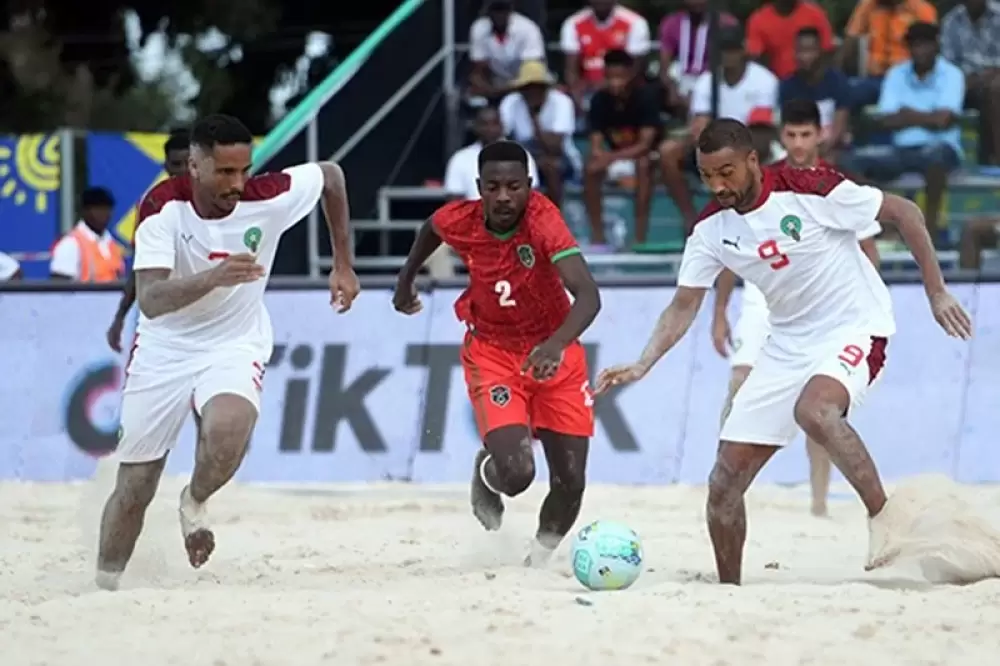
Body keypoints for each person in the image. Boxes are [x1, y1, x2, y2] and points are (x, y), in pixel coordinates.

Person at [595, 118, 971, 585]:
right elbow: (683, 305)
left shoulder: (809, 187)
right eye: (707, 176)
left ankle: (884, 519)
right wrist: (643, 362)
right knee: (723, 484)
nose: (718, 185)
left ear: (752, 160)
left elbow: (906, 212)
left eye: (726, 172)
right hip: (786, 343)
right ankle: (729, 590)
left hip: (854, 326)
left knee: (814, 411)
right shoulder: (710, 229)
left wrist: (936, 293)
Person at [95, 114, 361, 590]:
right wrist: (213, 278)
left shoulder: (268, 195)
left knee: (228, 431)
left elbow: (332, 176)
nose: (237, 184)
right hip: (165, 349)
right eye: (224, 173)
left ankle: (194, 502)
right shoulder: (160, 209)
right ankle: (104, 584)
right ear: (193, 166)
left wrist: (343, 264)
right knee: (135, 488)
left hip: (235, 342)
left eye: (244, 171)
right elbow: (152, 301)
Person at [393, 141, 601, 567]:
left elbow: (589, 296)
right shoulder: (462, 219)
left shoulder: (544, 222)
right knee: (517, 475)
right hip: (493, 353)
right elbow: (432, 226)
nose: (504, 196)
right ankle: (487, 470)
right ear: (479, 189)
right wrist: (405, 279)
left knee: (571, 481)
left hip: (554, 354)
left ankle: (537, 560)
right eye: (493, 187)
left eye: (513, 186)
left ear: (529, 185)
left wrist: (557, 343)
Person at [711, 100, 881, 518]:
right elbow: (730, 248)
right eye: (792, 134)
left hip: (823, 303)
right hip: (762, 298)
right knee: (738, 383)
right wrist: (719, 312)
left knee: (817, 407)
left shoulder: (834, 183)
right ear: (782, 136)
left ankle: (819, 499)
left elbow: (868, 250)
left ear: (820, 134)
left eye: (807, 134)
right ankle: (727, 482)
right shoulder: (758, 180)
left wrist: (860, 304)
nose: (799, 143)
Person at [844, 22, 965, 243]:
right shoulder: (896, 74)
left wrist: (906, 115)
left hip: (940, 149)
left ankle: (927, 233)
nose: (921, 50)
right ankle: (886, 227)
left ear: (936, 46)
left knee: (936, 158)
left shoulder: (952, 74)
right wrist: (928, 117)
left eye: (926, 44)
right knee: (852, 162)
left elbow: (944, 119)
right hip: (901, 150)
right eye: (915, 45)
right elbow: (886, 120)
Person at [660, 26, 778, 230]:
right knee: (667, 151)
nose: (728, 55)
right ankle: (691, 218)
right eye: (723, 50)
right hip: (715, 146)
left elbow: (761, 130)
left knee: (751, 152)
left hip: (751, 144)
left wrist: (729, 150)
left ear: (743, 50)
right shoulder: (707, 81)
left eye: (732, 49)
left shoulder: (763, 80)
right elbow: (700, 126)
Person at [107, 129, 192, 352]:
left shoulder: (220, 202)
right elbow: (140, 266)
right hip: (162, 318)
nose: (183, 171)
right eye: (176, 164)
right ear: (166, 166)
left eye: (188, 163)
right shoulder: (151, 206)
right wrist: (120, 317)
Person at [585, 49, 661, 248]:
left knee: (644, 166)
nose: (614, 83)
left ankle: (639, 238)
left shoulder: (645, 98)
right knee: (591, 169)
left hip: (646, 157)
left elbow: (645, 145)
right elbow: (596, 140)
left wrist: (610, 158)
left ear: (630, 75)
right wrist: (599, 155)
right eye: (610, 77)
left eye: (619, 77)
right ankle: (598, 236)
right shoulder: (599, 100)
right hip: (615, 157)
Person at [499, 61, 581, 208]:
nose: (532, 92)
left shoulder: (562, 102)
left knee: (551, 165)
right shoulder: (510, 102)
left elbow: (555, 147)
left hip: (561, 157)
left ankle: (553, 216)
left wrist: (534, 117)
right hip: (523, 152)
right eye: (528, 88)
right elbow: (502, 136)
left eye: (537, 87)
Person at [561, 0, 650, 114]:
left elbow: (636, 70)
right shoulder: (573, 23)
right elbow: (571, 71)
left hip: (625, 94)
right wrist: (578, 99)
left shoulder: (635, 22)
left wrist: (607, 86)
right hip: (587, 93)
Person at [843, 0, 937, 106]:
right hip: (875, 79)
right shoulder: (868, 5)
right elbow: (850, 42)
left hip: (908, 79)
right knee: (847, 95)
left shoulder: (921, 9)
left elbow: (930, 50)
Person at [940, 0, 1000, 165]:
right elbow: (947, 64)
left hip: (995, 80)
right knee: (942, 88)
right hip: (965, 82)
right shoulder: (951, 21)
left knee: (995, 90)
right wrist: (963, 79)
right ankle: (942, 156)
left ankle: (995, 158)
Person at [779, 28, 852, 151]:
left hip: (832, 148)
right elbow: (784, 127)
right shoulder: (787, 86)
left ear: (820, 52)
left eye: (808, 51)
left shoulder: (838, 82)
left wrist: (820, 153)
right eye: (799, 51)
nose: (803, 57)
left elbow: (839, 127)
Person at [658, 0, 738, 110]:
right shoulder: (672, 23)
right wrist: (672, 89)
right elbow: (664, 66)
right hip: (680, 83)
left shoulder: (725, 23)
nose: (696, 3)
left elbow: (732, 61)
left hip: (712, 82)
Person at [468, 0, 546, 105]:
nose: (499, 14)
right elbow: (478, 69)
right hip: (496, 84)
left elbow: (532, 68)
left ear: (510, 10)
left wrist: (505, 90)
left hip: (526, 83)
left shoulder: (527, 28)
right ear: (489, 11)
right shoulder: (479, 28)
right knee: (475, 98)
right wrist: (485, 87)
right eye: (495, 10)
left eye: (503, 9)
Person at [50, 187, 124, 281]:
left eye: (107, 209)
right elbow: (59, 285)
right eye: (98, 209)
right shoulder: (71, 244)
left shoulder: (112, 244)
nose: (104, 214)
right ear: (85, 211)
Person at [746, 0, 835, 79]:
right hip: (776, 84)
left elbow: (827, 52)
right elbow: (756, 60)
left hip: (813, 81)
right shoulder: (758, 20)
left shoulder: (816, 15)